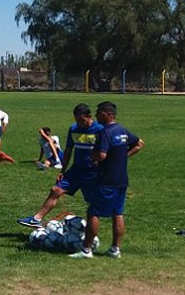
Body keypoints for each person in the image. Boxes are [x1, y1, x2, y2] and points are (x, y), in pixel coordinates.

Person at [70, 101, 144, 259]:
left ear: (108, 114)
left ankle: (86, 250)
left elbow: (102, 155)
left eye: (99, 113)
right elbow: (138, 143)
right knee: (117, 213)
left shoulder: (105, 132)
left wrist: (93, 157)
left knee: (93, 212)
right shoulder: (121, 130)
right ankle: (115, 249)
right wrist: (123, 156)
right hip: (121, 179)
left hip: (106, 179)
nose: (96, 115)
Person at [17, 104, 105, 228]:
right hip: (76, 170)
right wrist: (63, 171)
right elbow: (68, 150)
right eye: (76, 120)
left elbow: (108, 151)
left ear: (89, 117)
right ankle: (36, 219)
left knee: (92, 203)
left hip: (92, 173)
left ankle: (90, 233)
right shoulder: (74, 129)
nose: (79, 123)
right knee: (55, 190)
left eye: (81, 120)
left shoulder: (100, 130)